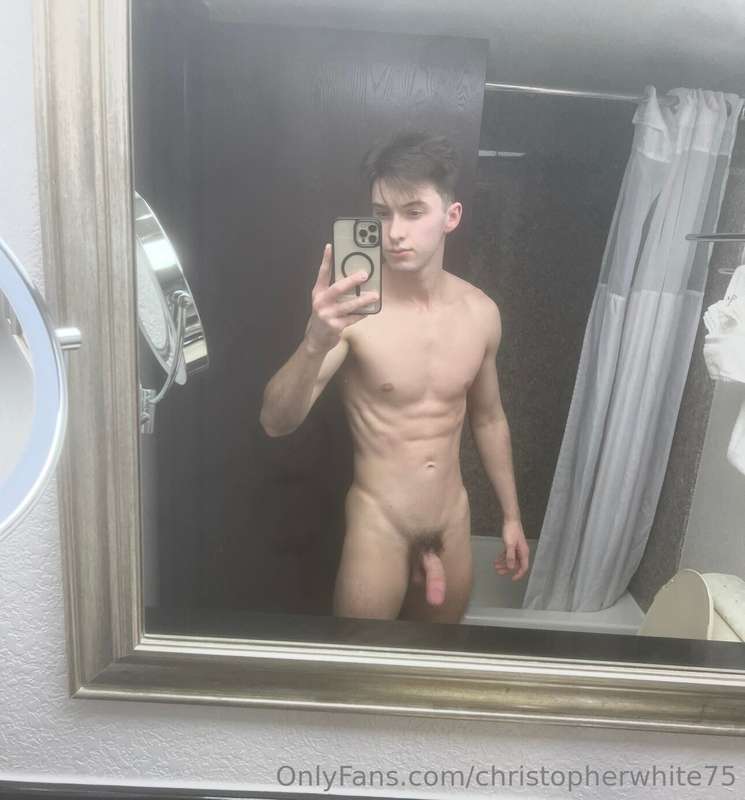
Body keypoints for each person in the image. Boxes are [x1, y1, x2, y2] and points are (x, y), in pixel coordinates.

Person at [260, 130, 529, 624]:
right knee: (357, 666)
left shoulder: (481, 314)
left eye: (413, 212)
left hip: (452, 522)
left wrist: (511, 516)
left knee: (436, 665)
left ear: (451, 216)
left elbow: (489, 420)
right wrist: (314, 341)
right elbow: (275, 422)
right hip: (380, 524)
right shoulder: (353, 313)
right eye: (382, 214)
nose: (394, 233)